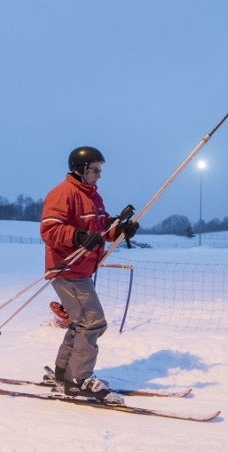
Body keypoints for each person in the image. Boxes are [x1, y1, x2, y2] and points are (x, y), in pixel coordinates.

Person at [39, 146, 138, 405]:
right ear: (80, 169)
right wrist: (78, 235)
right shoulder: (62, 194)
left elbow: (103, 228)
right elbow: (50, 231)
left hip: (81, 270)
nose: (99, 175)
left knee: (82, 323)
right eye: (95, 170)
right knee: (93, 322)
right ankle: (77, 380)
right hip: (67, 269)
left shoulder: (93, 197)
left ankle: (63, 373)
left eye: (100, 170)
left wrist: (120, 230)